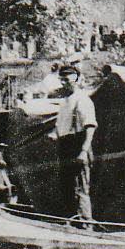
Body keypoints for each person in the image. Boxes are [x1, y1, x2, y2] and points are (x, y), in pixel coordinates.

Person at [53, 64, 96, 220]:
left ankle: (85, 224)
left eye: (67, 80)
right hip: (65, 146)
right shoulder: (65, 102)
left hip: (77, 145)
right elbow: (61, 126)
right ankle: (71, 222)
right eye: (61, 80)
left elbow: (90, 126)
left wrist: (84, 151)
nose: (64, 83)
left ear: (76, 79)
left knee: (80, 188)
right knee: (67, 188)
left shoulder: (82, 99)